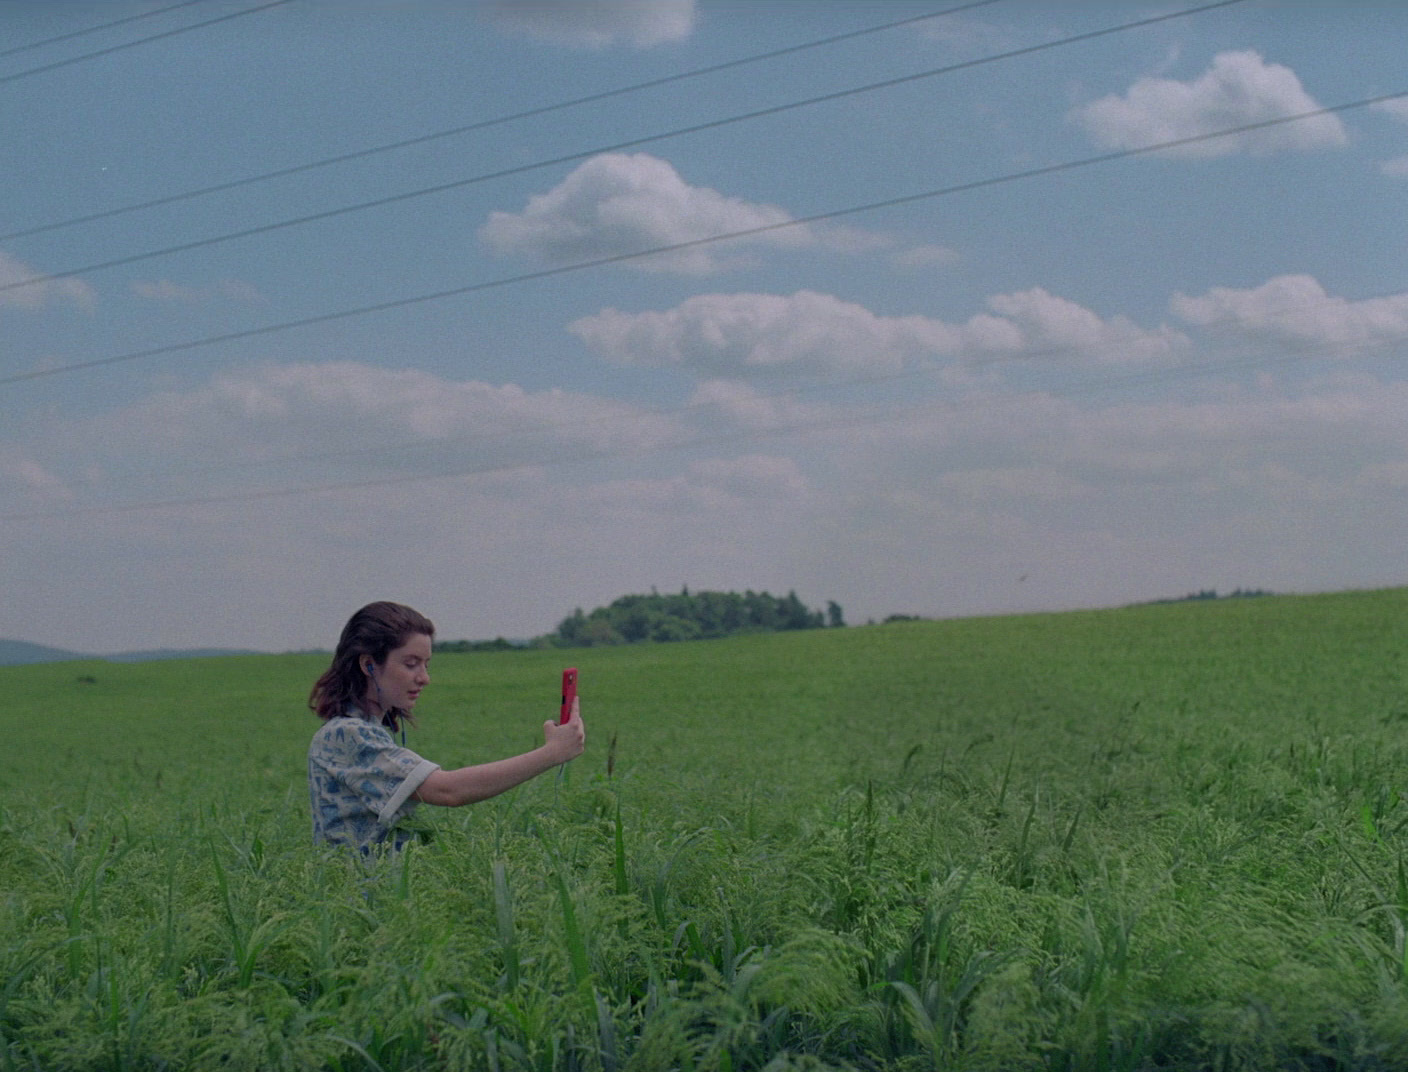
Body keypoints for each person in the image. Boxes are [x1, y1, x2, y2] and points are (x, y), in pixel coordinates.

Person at [307, 601, 585, 850]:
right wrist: (552, 753)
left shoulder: (369, 731)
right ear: (368, 665)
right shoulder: (346, 734)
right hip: (357, 897)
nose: (424, 678)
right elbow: (448, 790)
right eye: (411, 664)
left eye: (426, 665)